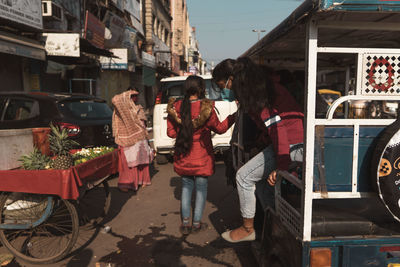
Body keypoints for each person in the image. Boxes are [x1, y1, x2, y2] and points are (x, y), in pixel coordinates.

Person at [212, 58, 304, 243]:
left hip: (293, 143)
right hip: (292, 141)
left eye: (223, 86)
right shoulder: (260, 90)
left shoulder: (260, 94)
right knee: (261, 184)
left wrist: (282, 167)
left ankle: (248, 229)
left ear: (232, 79)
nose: (224, 91)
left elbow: (278, 130)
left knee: (243, 177)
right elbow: (270, 129)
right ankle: (278, 225)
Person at [167, 75, 236, 235]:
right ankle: (197, 223)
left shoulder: (175, 106)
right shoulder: (206, 107)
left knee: (185, 188)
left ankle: (185, 224)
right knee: (201, 190)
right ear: (201, 89)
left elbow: (170, 133)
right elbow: (220, 128)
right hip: (202, 157)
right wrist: (233, 117)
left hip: (183, 155)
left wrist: (181, 131)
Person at [112, 88, 153, 192]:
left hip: (140, 137)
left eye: (135, 96)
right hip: (125, 139)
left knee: (141, 161)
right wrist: (127, 93)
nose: (134, 98)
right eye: (131, 96)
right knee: (127, 163)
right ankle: (127, 184)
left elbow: (142, 123)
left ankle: (142, 181)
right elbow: (115, 100)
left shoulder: (139, 108)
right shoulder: (121, 108)